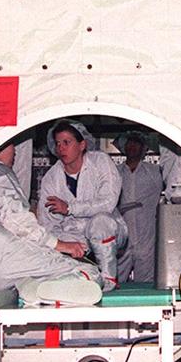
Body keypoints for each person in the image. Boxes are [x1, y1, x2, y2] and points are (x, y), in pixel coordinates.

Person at [0, 143, 102, 305]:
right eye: (12, 146)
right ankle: (42, 290)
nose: (15, 152)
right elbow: (20, 222)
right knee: (90, 272)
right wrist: (61, 245)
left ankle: (30, 288)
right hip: (1, 258)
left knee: (31, 274)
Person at [37, 120, 128, 289]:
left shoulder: (100, 162)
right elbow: (47, 224)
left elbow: (108, 202)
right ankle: (81, 282)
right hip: (74, 234)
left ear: (82, 145)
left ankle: (108, 281)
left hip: (109, 229)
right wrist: (63, 245)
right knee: (53, 249)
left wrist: (70, 208)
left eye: (66, 142)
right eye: (58, 143)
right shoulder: (51, 178)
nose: (61, 148)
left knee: (100, 222)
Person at [117, 132, 162, 284]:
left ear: (144, 148)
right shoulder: (115, 172)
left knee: (145, 283)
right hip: (122, 237)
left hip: (147, 236)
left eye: (136, 143)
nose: (132, 146)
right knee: (115, 280)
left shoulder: (154, 171)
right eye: (129, 143)